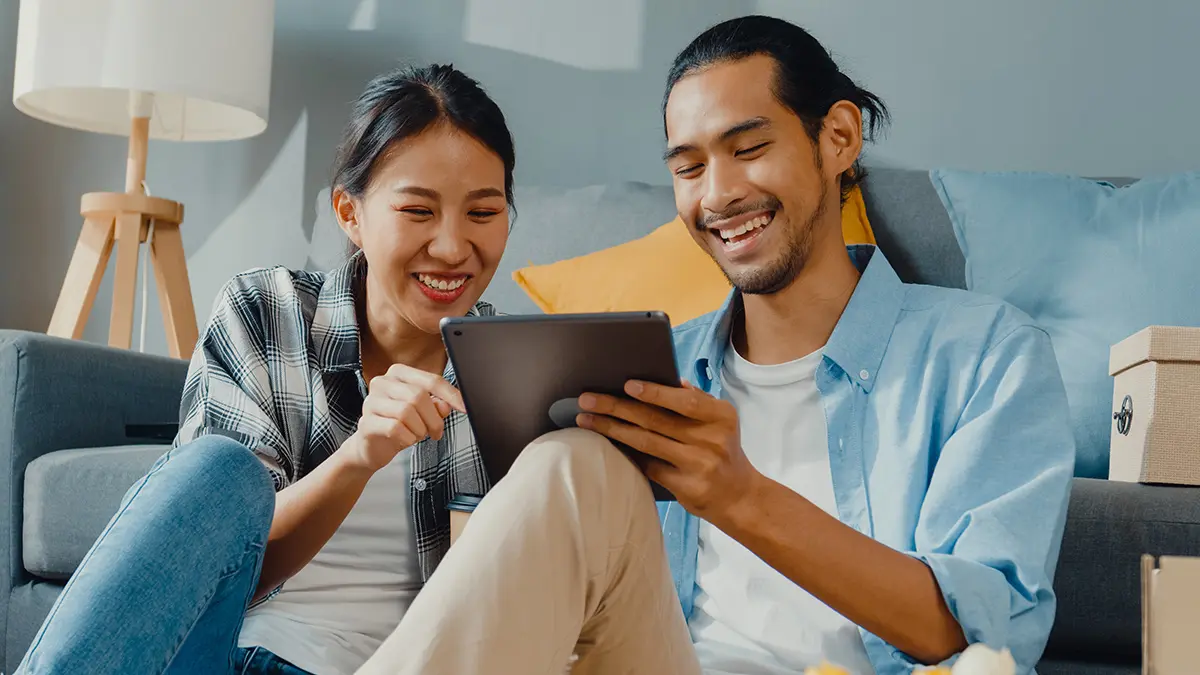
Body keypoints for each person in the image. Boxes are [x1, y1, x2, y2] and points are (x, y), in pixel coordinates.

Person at [354, 15, 1076, 675]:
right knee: (568, 458)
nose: (718, 194)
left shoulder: (986, 354)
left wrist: (739, 496)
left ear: (839, 138)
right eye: (689, 167)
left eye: (750, 147)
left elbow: (984, 633)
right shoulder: (653, 374)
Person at [17, 63, 517, 674]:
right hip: (226, 656)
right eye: (418, 211)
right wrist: (359, 456)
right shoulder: (267, 312)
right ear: (349, 213)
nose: (451, 247)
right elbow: (221, 553)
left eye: (483, 214)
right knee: (217, 469)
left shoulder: (515, 367)